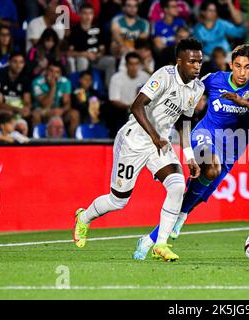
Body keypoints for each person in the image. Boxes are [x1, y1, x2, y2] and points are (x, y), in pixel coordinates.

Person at [138, 44, 249, 260]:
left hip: (233, 147)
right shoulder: (215, 79)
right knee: (211, 168)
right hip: (204, 134)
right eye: (238, 66)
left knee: (194, 198)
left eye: (248, 67)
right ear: (230, 64)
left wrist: (241, 100)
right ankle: (179, 216)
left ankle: (151, 240)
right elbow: (189, 88)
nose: (242, 73)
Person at [73, 39, 205, 262]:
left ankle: (160, 244)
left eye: (200, 61)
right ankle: (84, 218)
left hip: (160, 143)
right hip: (134, 140)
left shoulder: (198, 87)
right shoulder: (164, 76)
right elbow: (136, 106)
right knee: (119, 200)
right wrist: (154, 136)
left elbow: (184, 121)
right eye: (192, 61)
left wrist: (189, 155)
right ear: (179, 61)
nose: (197, 66)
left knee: (177, 186)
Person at [67, 3, 117, 88]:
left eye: (90, 13)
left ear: (93, 15)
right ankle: (82, 91)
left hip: (96, 59)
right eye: (85, 13)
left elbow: (102, 49)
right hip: (81, 59)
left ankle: (109, 89)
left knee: (111, 60)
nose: (88, 16)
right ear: (80, 14)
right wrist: (84, 54)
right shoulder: (75, 31)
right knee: (83, 60)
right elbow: (70, 53)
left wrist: (98, 54)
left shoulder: (97, 28)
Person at [32, 61, 79, 137]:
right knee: (36, 114)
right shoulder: (37, 82)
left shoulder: (65, 82)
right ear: (46, 71)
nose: (53, 74)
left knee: (74, 114)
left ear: (60, 74)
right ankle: (38, 141)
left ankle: (73, 142)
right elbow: (45, 104)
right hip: (42, 110)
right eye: (51, 71)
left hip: (58, 110)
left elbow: (67, 103)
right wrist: (53, 87)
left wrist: (62, 110)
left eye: (57, 72)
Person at [108, 52, 151, 134]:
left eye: (136, 64)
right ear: (126, 65)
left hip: (141, 110)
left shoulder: (145, 77)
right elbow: (114, 100)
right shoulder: (116, 78)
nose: (134, 67)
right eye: (131, 64)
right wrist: (130, 107)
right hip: (122, 111)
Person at [0, 53, 31, 120]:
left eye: (21, 62)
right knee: (9, 114)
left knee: (29, 114)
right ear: (9, 62)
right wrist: (17, 109)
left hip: (18, 111)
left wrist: (26, 108)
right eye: (15, 62)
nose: (18, 66)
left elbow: (27, 101)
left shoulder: (25, 79)